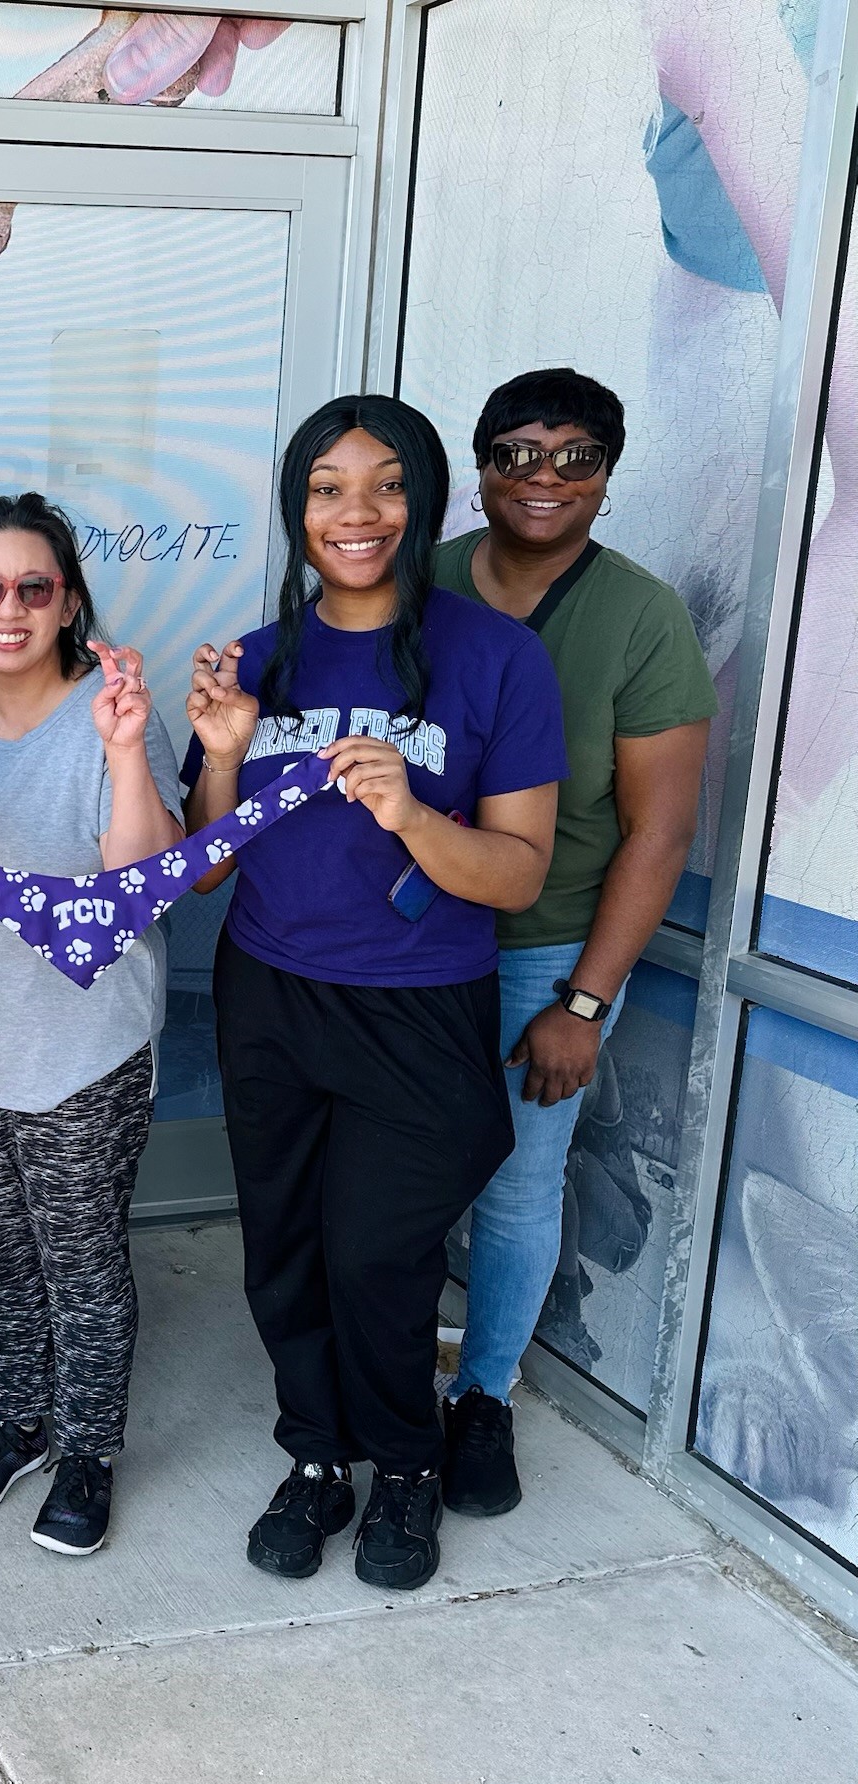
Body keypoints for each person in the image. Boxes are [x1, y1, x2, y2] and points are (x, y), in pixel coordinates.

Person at [183, 394, 566, 1593]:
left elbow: (516, 868)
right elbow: (210, 856)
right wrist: (229, 751)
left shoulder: (494, 656)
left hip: (416, 1003)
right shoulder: (256, 655)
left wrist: (409, 811)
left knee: (377, 1255)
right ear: (297, 507)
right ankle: (316, 1457)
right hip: (270, 993)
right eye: (327, 487)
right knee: (284, 1250)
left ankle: (403, 1460)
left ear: (424, 500)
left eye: (385, 484)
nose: (356, 511)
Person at [432, 368, 713, 1514]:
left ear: (606, 469)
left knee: (514, 1181)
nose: (542, 480)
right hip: (400, 947)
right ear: (479, 463)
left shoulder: (639, 615)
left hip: (538, 952)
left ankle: (484, 1394)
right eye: (516, 453)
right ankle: (382, 1380)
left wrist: (584, 1001)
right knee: (391, 1173)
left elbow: (658, 832)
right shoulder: (425, 576)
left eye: (573, 457)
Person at [0, 493, 183, 1557]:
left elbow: (140, 878)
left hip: (84, 1036)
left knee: (80, 1257)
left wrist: (120, 747)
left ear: (67, 599)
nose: (9, 607)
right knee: (0, 1254)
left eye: (34, 586)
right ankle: (17, 1418)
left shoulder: (114, 707)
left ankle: (86, 1450)